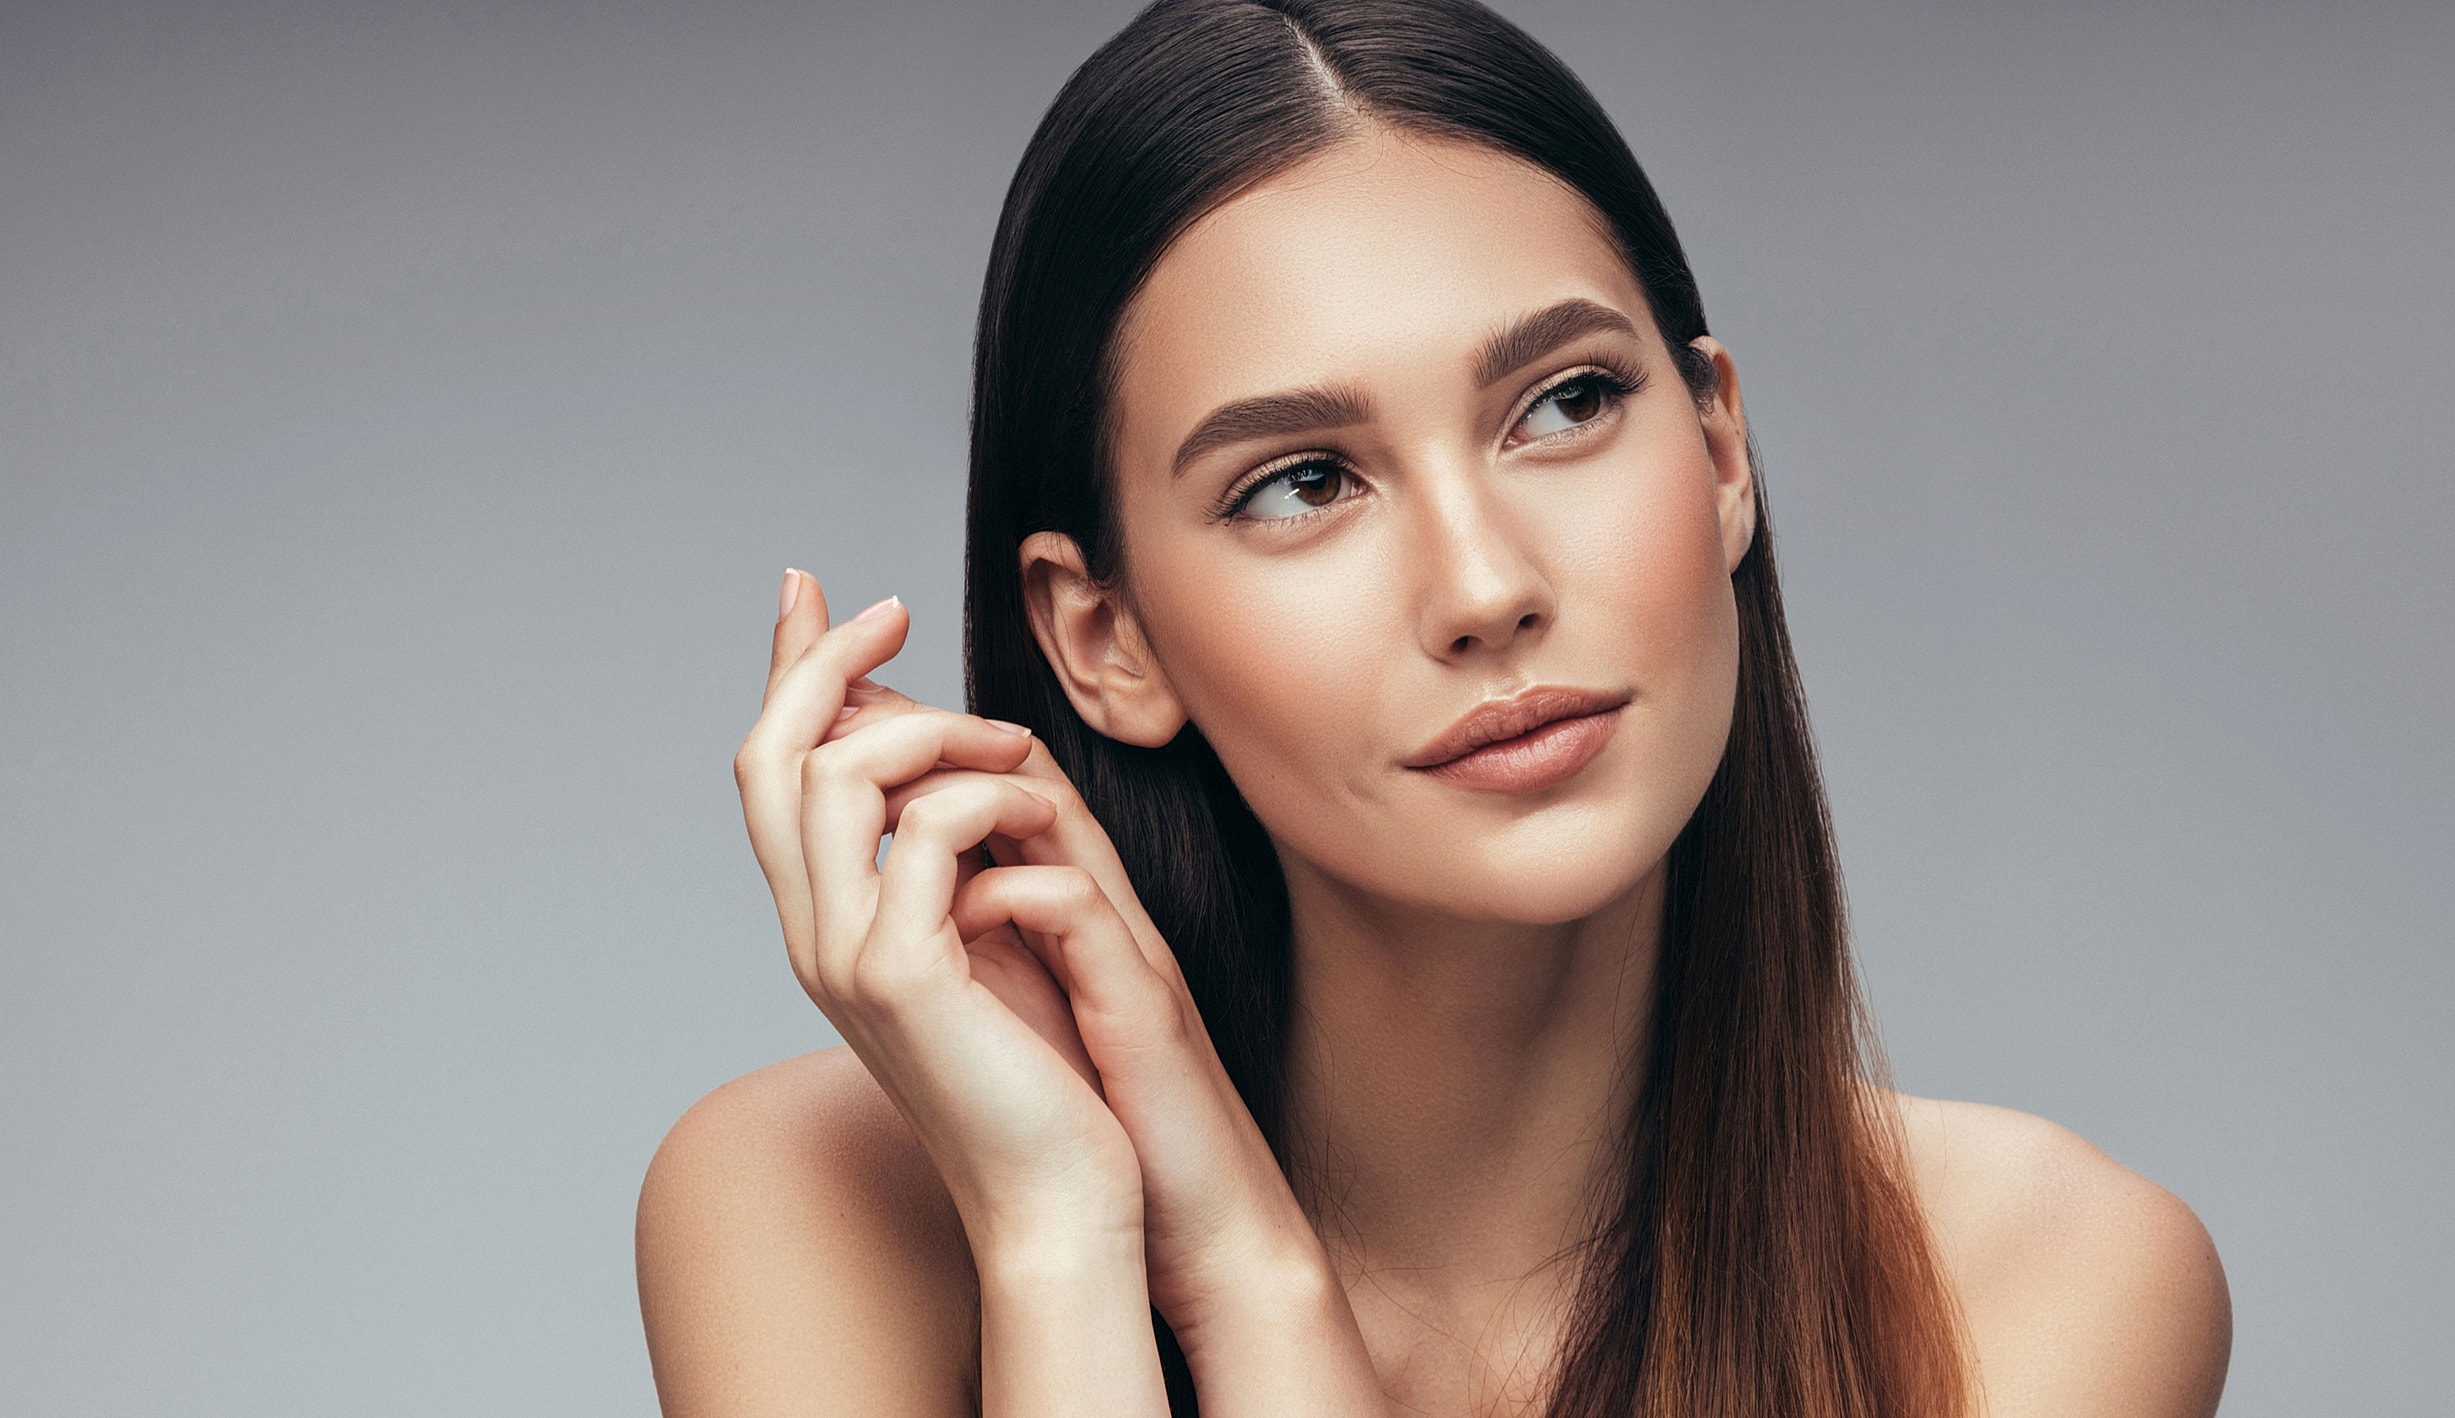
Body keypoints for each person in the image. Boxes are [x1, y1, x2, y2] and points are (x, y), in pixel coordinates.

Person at [634, 1, 2233, 1413]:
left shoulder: (2044, 1280)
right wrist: (1062, 1231)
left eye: (1566, 403)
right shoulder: (813, 1201)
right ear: (1106, 639)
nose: (1484, 586)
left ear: (1720, 451)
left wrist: (1249, 1273)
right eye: (1303, 482)